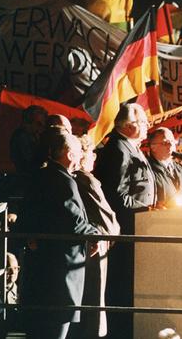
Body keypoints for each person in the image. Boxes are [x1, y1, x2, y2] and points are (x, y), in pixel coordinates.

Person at [22, 130, 101, 339]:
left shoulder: (42, 176)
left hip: (46, 270)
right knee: (57, 330)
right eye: (78, 153)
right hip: (62, 271)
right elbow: (73, 221)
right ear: (69, 154)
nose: (81, 157)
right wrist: (96, 234)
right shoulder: (63, 180)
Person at [96, 103, 155, 338]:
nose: (147, 126)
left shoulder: (133, 147)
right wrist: (146, 208)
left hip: (138, 226)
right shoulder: (119, 150)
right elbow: (116, 194)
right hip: (126, 229)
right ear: (130, 126)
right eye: (143, 123)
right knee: (121, 284)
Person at [74, 135, 120, 338]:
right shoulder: (86, 180)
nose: (94, 156)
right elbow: (108, 220)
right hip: (94, 245)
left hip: (88, 244)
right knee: (93, 298)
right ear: (82, 155)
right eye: (91, 152)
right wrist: (113, 231)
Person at [147, 127, 182, 208]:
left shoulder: (180, 169)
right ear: (153, 147)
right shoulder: (147, 170)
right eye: (165, 143)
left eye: (172, 141)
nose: (171, 145)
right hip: (161, 218)